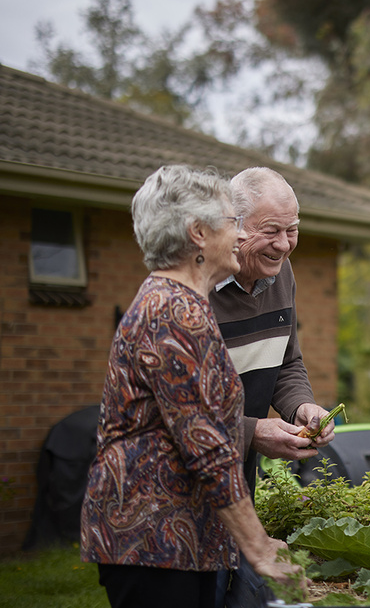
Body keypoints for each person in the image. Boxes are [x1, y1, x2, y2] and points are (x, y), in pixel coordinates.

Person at [81, 165, 300, 608]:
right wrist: (259, 549)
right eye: (231, 221)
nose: (239, 235)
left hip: (180, 539)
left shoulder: (179, 304)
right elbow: (209, 449)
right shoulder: (174, 315)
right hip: (153, 541)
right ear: (199, 234)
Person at [209, 167, 334, 493]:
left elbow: (285, 362)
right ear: (232, 226)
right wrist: (252, 432)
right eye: (270, 230)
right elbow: (177, 411)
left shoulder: (281, 273)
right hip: (179, 482)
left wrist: (301, 407)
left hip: (238, 476)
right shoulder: (194, 287)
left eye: (291, 229)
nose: (282, 245)